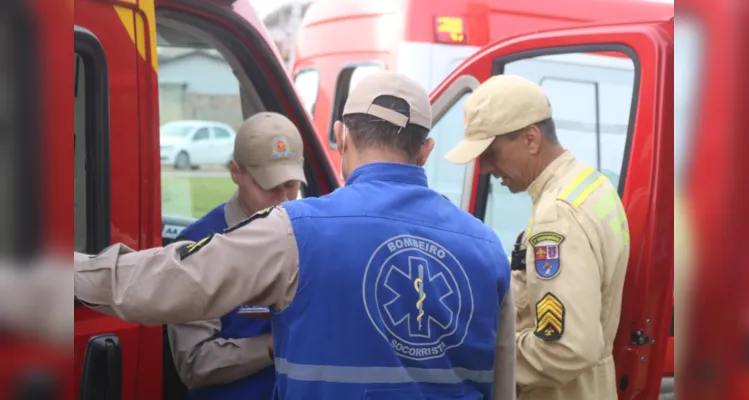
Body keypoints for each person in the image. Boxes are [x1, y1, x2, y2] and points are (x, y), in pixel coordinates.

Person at [74, 70, 516, 400]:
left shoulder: (298, 230)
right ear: (426, 150)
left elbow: (163, 282)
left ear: (341, 138)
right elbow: (502, 386)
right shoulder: (488, 249)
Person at [444, 74, 630, 400]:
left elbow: (567, 348)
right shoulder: (590, 184)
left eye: (491, 152)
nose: (485, 168)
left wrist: (487, 355)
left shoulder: (556, 214)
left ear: (531, 139)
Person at [167, 112, 306, 399]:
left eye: (291, 185)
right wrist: (273, 345)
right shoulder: (197, 246)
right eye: (268, 186)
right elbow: (194, 362)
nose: (283, 199)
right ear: (235, 172)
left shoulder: (309, 233)